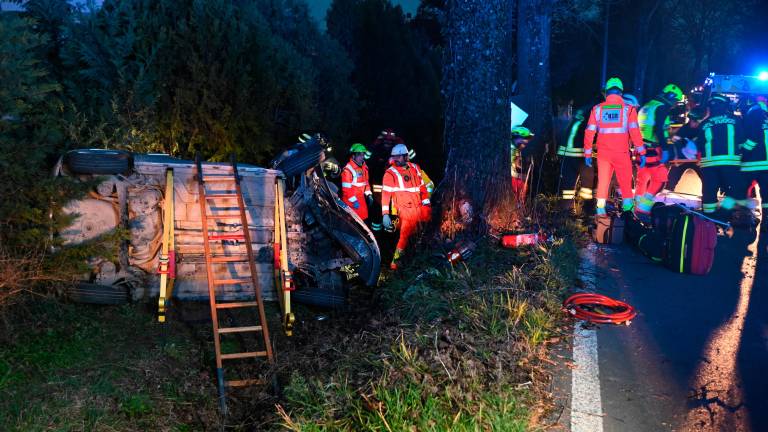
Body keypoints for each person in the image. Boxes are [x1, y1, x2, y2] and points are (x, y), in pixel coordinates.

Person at [583, 77, 646, 216]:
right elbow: (635, 133)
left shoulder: (597, 109)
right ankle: (628, 212)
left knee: (603, 181)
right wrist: (642, 152)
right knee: (625, 182)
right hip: (621, 153)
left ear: (607, 92)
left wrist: (587, 154)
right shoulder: (628, 110)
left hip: (603, 154)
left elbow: (589, 133)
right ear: (621, 93)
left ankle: (600, 211)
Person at [635, 84, 684, 215]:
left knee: (643, 179)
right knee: (660, 180)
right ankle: (643, 208)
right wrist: (666, 149)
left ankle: (636, 208)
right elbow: (658, 129)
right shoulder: (661, 107)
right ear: (670, 97)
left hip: (640, 149)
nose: (674, 104)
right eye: (675, 101)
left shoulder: (648, 105)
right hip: (652, 149)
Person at [381, 144, 431, 270]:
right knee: (403, 238)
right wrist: (385, 214)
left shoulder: (415, 167)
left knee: (424, 232)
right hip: (404, 210)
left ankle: (419, 257)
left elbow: (422, 188)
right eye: (394, 157)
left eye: (398, 156)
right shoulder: (390, 173)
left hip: (419, 208)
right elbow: (386, 195)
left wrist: (426, 203)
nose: (395, 159)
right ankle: (395, 264)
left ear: (405, 156)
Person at [697, 94, 745, 218]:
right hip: (730, 164)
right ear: (725, 106)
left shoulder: (704, 124)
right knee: (733, 192)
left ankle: (709, 220)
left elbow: (699, 145)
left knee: (709, 193)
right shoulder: (735, 120)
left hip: (709, 165)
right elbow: (742, 141)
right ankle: (724, 215)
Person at [557, 106, 595, 212]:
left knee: (570, 186)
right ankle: (583, 212)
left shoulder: (578, 118)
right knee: (585, 188)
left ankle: (568, 211)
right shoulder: (588, 119)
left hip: (570, 156)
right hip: (580, 157)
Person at [740, 95, 768, 227]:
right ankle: (766, 221)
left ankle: (745, 217)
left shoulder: (753, 112)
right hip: (766, 164)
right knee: (766, 194)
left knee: (741, 190)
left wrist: (742, 154)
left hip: (751, 162)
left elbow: (752, 138)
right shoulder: (765, 114)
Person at [667, 106, 706, 191]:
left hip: (698, 160)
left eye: (697, 122)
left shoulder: (703, 130)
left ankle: (707, 197)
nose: (695, 123)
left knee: (707, 180)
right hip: (682, 159)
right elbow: (675, 144)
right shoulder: (683, 130)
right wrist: (676, 158)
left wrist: (702, 158)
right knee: (671, 179)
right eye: (693, 121)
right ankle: (666, 194)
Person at [341, 143, 373, 221]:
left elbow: (366, 183)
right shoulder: (348, 170)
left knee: (362, 223)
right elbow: (346, 189)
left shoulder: (364, 167)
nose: (362, 157)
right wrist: (354, 201)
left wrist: (369, 194)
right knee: (352, 224)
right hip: (350, 203)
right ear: (353, 156)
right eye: (359, 155)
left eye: (363, 155)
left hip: (361, 201)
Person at [510, 126, 534, 201]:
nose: (526, 142)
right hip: (514, 180)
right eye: (525, 139)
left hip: (519, 180)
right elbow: (514, 167)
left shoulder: (517, 150)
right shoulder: (512, 149)